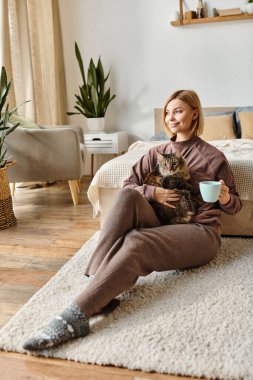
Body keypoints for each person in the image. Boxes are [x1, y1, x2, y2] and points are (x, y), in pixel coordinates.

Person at [23, 90, 242, 351]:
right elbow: (128, 185)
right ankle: (96, 283)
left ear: (195, 113)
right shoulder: (156, 151)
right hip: (161, 222)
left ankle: (75, 317)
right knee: (128, 195)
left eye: (179, 111)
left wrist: (226, 197)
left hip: (199, 232)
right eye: (168, 112)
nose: (171, 117)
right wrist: (153, 192)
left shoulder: (213, 156)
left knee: (136, 242)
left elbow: (235, 207)